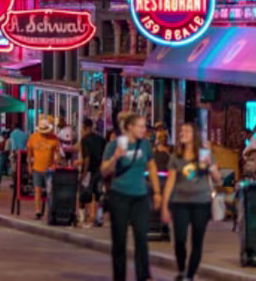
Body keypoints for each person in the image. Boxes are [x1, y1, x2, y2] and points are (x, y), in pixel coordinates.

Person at [101, 111, 162, 281]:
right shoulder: (114, 145)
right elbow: (104, 171)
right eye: (140, 126)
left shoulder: (145, 145)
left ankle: (143, 275)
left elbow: (152, 168)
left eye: (144, 126)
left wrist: (157, 192)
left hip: (140, 197)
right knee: (119, 241)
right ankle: (119, 276)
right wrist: (115, 158)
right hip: (119, 196)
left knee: (142, 238)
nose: (144, 130)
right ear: (130, 127)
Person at [161, 122, 219, 281]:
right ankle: (181, 268)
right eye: (182, 131)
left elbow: (217, 179)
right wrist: (165, 205)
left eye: (187, 131)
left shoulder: (204, 154)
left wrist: (210, 165)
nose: (183, 133)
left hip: (202, 202)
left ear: (195, 135)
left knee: (197, 239)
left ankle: (190, 275)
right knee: (179, 239)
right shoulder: (176, 157)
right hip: (180, 202)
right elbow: (170, 182)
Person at [27, 116, 60, 219]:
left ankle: (50, 211)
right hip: (37, 168)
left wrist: (56, 164)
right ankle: (38, 211)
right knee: (37, 190)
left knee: (50, 191)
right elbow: (29, 153)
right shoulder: (33, 137)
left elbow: (57, 153)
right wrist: (29, 165)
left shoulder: (54, 138)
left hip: (50, 169)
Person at [79, 118, 106, 228]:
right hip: (100, 171)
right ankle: (99, 218)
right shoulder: (101, 139)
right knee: (99, 195)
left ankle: (82, 218)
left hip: (89, 171)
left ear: (85, 127)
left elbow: (87, 158)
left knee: (83, 195)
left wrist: (83, 173)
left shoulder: (84, 140)